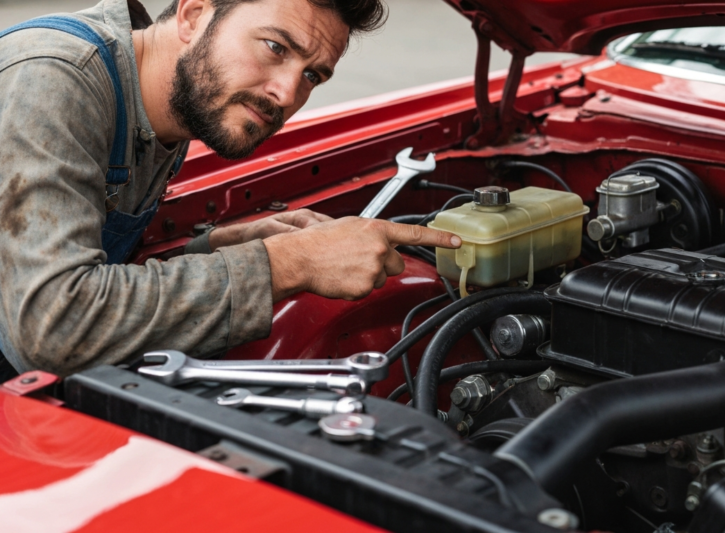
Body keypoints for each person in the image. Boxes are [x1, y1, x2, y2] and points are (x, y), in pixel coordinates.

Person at [0, 0, 461, 379]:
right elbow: (52, 331)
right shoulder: (56, 79)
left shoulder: (169, 101)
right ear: (193, 14)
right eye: (275, 47)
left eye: (313, 75)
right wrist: (290, 262)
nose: (286, 93)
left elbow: (86, 266)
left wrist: (216, 247)